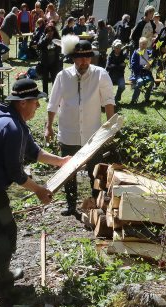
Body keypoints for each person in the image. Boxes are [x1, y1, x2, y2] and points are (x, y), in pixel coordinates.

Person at [0, 79, 70, 297]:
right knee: (6, 230)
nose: (38, 106)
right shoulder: (12, 128)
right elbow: (16, 174)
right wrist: (39, 190)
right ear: (22, 103)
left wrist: (60, 161)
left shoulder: (11, 121)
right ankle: (2, 277)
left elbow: (35, 152)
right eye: (35, 102)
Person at [46, 39, 116, 217]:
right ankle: (71, 205)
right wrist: (49, 127)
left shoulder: (101, 74)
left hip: (93, 134)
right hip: (68, 132)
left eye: (87, 57)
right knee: (68, 171)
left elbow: (108, 101)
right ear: (73, 58)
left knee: (96, 171)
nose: (84, 61)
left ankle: (96, 201)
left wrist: (110, 128)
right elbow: (53, 104)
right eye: (80, 58)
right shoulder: (62, 76)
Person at [36, 23, 63, 93]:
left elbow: (61, 47)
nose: (50, 32)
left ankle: (55, 94)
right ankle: (45, 94)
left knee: (55, 79)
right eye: (48, 31)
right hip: (45, 62)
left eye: (51, 31)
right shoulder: (43, 36)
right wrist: (45, 38)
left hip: (54, 61)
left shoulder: (57, 38)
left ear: (54, 31)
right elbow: (39, 46)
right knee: (45, 79)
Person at [129, 35, 154, 104]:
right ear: (139, 44)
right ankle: (134, 100)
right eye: (142, 44)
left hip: (147, 73)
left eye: (145, 44)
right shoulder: (136, 53)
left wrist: (150, 65)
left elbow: (153, 63)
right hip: (137, 73)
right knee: (140, 82)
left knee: (151, 82)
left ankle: (147, 99)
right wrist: (143, 66)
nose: (143, 46)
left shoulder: (149, 53)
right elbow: (133, 65)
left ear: (147, 45)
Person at [106, 39, 127, 106]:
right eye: (116, 47)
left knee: (122, 86)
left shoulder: (123, 56)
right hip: (111, 76)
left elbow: (124, 66)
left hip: (120, 75)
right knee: (107, 87)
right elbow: (108, 67)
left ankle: (117, 97)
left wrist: (114, 66)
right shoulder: (110, 56)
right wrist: (119, 66)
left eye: (119, 48)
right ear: (113, 47)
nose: (118, 49)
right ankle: (109, 100)